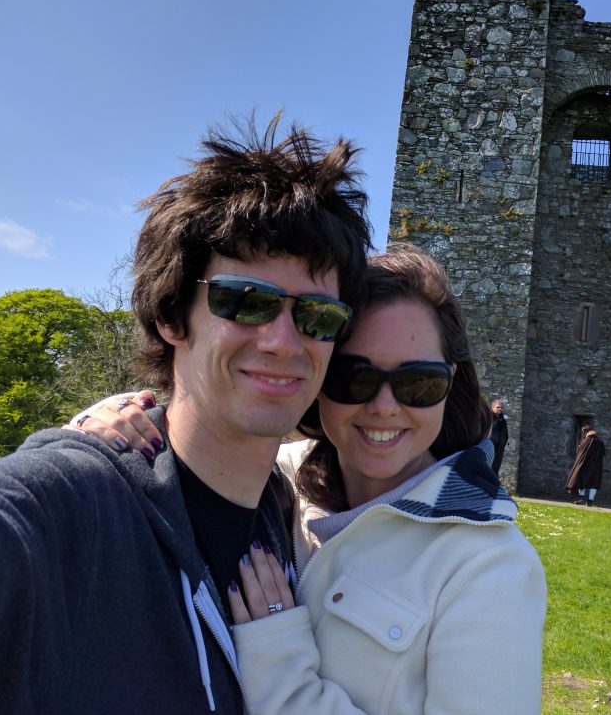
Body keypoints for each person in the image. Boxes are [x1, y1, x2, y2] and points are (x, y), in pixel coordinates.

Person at [0, 116, 372, 712]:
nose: (286, 342)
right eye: (247, 301)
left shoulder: (288, 514)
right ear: (169, 315)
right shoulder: (78, 502)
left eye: (319, 315)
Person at [78, 245, 547, 713]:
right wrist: (109, 419)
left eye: (418, 383)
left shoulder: (489, 564)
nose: (384, 406)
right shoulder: (276, 479)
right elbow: (195, 436)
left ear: (450, 383)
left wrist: (281, 668)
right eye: (352, 378)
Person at [566, 425, 605, 506]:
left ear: (585, 432)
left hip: (584, 465)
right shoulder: (600, 441)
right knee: (594, 482)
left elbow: (580, 453)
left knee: (582, 480)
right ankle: (590, 501)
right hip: (596, 466)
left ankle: (581, 498)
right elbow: (603, 453)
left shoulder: (586, 441)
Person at [488, 398, 509, 475]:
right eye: (497, 407)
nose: (500, 409)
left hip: (499, 450)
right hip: (489, 449)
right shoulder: (488, 419)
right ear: (493, 407)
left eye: (501, 407)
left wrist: (502, 444)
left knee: (494, 470)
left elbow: (504, 434)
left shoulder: (502, 420)